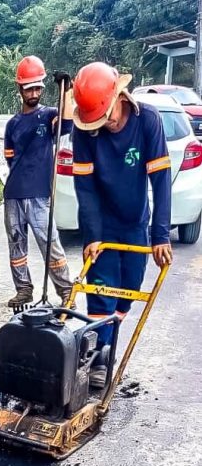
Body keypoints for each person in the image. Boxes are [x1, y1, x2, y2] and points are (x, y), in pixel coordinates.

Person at [72, 61, 172, 388]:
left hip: (134, 225)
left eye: (108, 115)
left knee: (127, 292)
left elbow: (160, 181)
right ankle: (100, 355)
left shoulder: (148, 122)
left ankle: (105, 343)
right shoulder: (84, 131)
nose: (107, 123)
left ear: (120, 95)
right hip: (102, 223)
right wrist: (92, 234)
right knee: (100, 293)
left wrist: (160, 236)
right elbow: (84, 188)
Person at [3, 55, 74, 308]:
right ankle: (24, 289)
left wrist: (66, 91)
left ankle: (66, 292)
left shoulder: (49, 116)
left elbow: (66, 125)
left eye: (38, 88)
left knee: (50, 244)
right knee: (16, 245)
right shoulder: (12, 124)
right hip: (13, 193)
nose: (34, 93)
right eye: (29, 87)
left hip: (39, 194)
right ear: (20, 88)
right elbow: (9, 158)